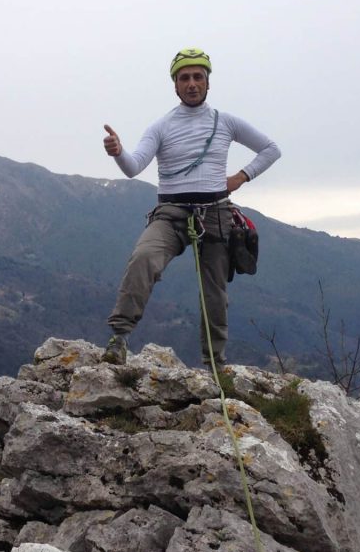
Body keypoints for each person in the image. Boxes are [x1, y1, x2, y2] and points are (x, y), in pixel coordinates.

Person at [101, 47, 281, 367]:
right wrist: (118, 152)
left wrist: (240, 178)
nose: (192, 83)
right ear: (175, 84)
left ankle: (214, 362)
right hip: (171, 213)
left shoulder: (225, 122)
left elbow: (271, 149)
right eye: (185, 78)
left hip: (215, 212)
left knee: (215, 292)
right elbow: (133, 167)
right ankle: (119, 338)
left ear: (208, 82)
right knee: (144, 258)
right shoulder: (161, 127)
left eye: (198, 77)